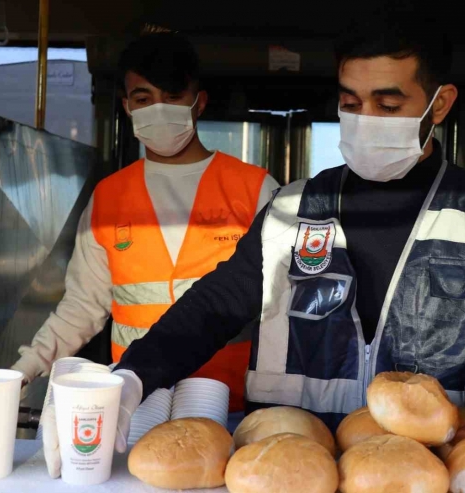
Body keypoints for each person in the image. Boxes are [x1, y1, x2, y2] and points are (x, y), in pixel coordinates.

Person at [112, 15, 465, 432]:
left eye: (388, 106)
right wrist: (133, 375)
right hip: (290, 461)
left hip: (428, 467)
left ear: (440, 105)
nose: (366, 119)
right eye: (350, 103)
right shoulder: (293, 207)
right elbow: (215, 304)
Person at [14, 29, 279, 477]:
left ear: (199, 102)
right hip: (134, 406)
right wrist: (24, 370)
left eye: (172, 95)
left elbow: (284, 310)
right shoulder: (108, 198)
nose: (157, 108)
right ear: (126, 106)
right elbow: (83, 306)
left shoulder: (255, 189)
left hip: (235, 410)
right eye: (143, 97)